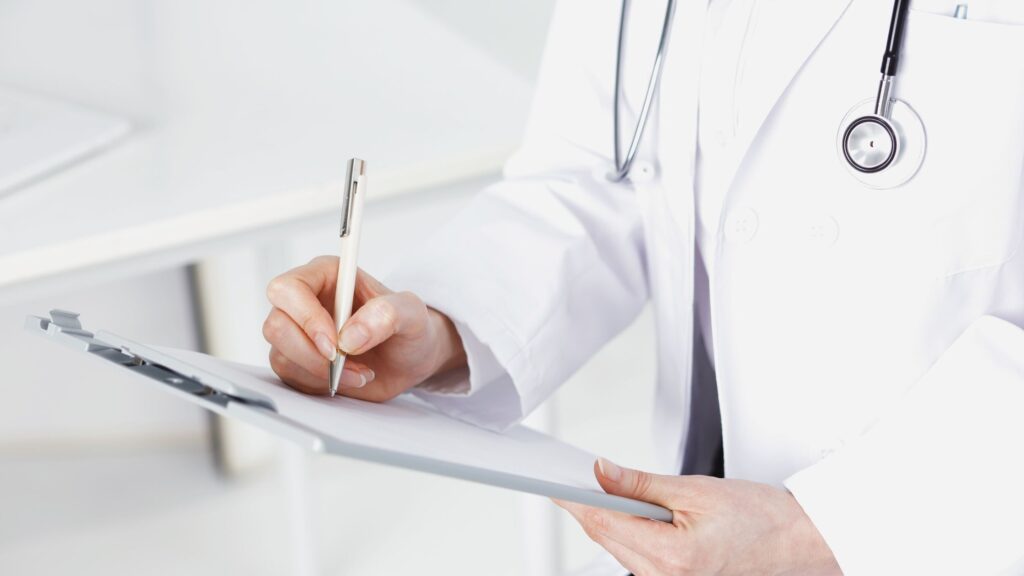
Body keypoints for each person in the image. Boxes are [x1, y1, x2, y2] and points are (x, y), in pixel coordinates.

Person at [262, 0, 1024, 573]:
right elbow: (603, 171)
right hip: (705, 514)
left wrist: (825, 528)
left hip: (948, 521)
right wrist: (438, 330)